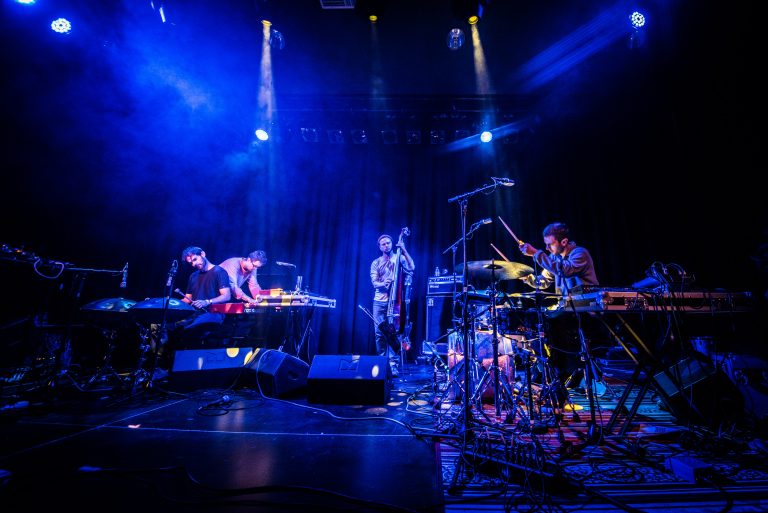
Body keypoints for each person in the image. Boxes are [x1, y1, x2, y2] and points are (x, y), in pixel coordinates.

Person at [516, 222, 600, 396]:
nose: (546, 248)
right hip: (568, 311)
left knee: (553, 323)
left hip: (585, 310)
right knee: (536, 320)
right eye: (545, 244)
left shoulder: (579, 254)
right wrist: (524, 276)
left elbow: (565, 270)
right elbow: (542, 282)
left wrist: (536, 253)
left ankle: (562, 373)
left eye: (549, 244)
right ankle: (552, 373)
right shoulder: (555, 259)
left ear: (564, 242)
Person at [370, 233, 415, 377]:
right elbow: (374, 282)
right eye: (383, 244)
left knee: (394, 333)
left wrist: (404, 249)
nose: (386, 245)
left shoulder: (399, 257)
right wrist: (383, 284)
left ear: (392, 244)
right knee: (380, 333)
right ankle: (382, 362)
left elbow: (411, 267)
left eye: (388, 243)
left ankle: (393, 364)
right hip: (380, 301)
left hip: (396, 301)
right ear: (379, 247)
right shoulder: (376, 263)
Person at [176, 246, 232, 346]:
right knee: (165, 324)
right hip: (195, 314)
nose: (193, 264)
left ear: (202, 254)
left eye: (195, 259)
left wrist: (206, 302)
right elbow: (187, 299)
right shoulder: (193, 276)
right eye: (191, 263)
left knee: (189, 329)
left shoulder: (219, 271)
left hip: (213, 313)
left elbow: (226, 296)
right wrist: (170, 304)